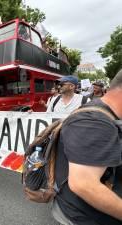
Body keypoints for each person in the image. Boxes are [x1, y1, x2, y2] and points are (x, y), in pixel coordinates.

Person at [52, 69, 122, 225]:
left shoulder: (87, 105)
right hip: (84, 216)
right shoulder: (92, 120)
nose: (59, 86)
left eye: (62, 83)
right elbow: (84, 184)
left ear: (72, 86)